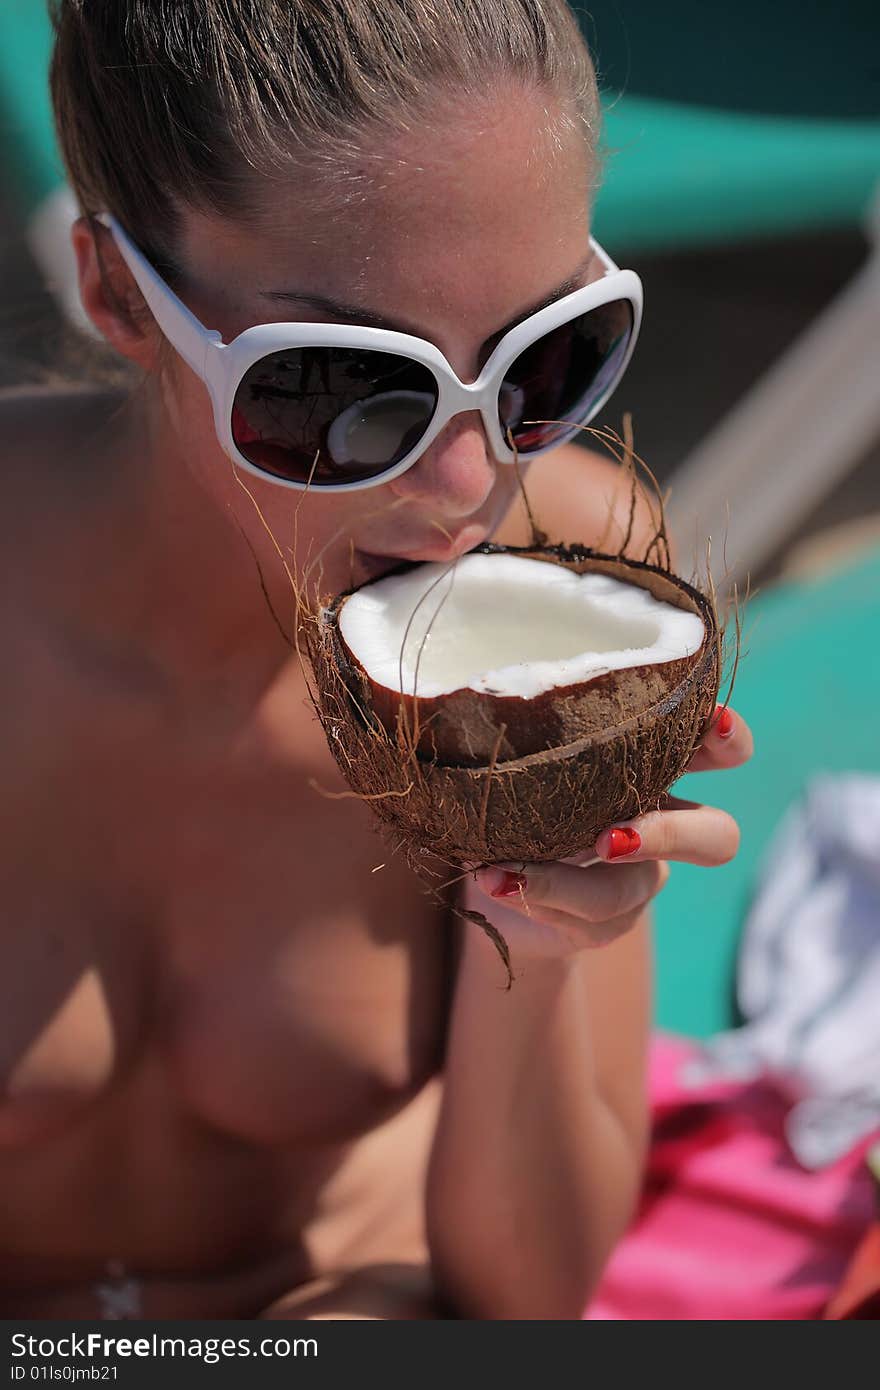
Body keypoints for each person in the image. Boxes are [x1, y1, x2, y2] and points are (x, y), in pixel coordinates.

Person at [0, 0, 752, 1320]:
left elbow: (519, 1304)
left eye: (548, 357)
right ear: (120, 293)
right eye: (344, 387)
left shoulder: (579, 552)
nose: (468, 483)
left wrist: (542, 944)